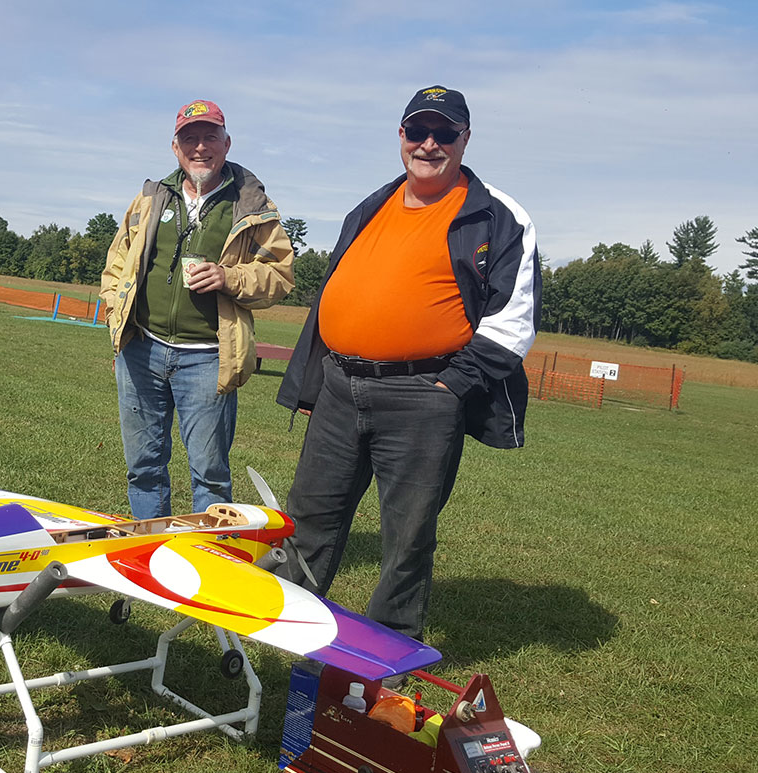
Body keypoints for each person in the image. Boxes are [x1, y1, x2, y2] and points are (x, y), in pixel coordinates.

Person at [275, 85, 540, 671]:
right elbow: (334, 298)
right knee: (310, 519)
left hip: (424, 396)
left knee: (407, 533)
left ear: (465, 140)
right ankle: (290, 628)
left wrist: (451, 387)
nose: (429, 144)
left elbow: (513, 321)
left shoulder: (496, 215)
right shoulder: (374, 204)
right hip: (341, 387)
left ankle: (389, 650)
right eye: (417, 131)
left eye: (444, 133)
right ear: (400, 136)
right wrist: (317, 383)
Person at [101, 99, 294, 519]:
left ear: (227, 143)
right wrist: (116, 309)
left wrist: (231, 278)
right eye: (190, 138)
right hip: (141, 352)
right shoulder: (151, 197)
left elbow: (280, 275)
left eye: (210, 137)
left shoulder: (251, 205)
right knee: (143, 467)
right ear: (175, 147)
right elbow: (117, 262)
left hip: (208, 359)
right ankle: (151, 553)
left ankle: (208, 559)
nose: (200, 147)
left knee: (209, 473)